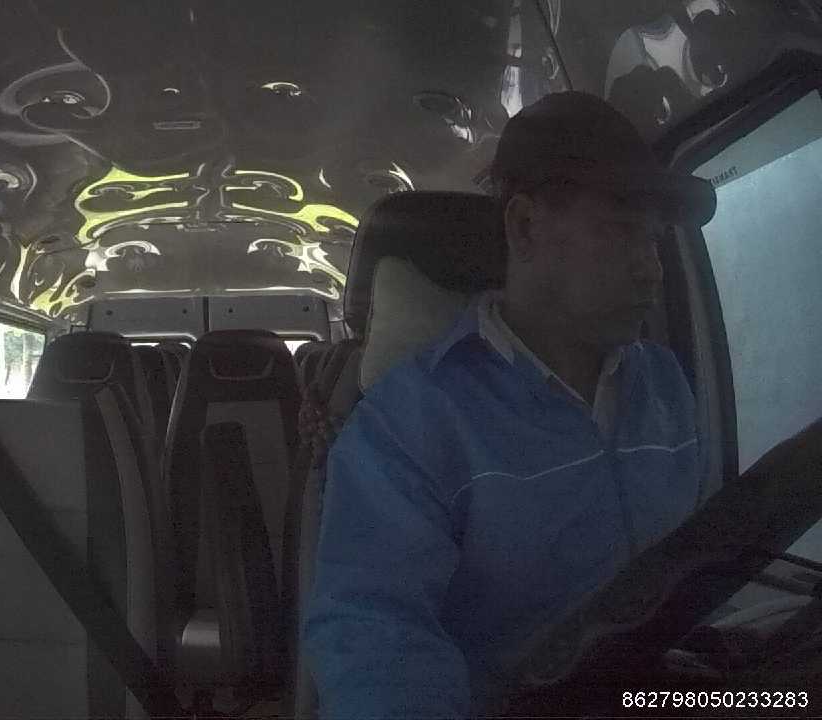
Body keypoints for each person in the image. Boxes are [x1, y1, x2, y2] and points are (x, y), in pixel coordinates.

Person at [302, 90, 718, 717]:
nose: (651, 269)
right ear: (524, 226)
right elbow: (377, 642)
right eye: (622, 231)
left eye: (655, 240)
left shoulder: (665, 382)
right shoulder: (405, 423)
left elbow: (701, 563)